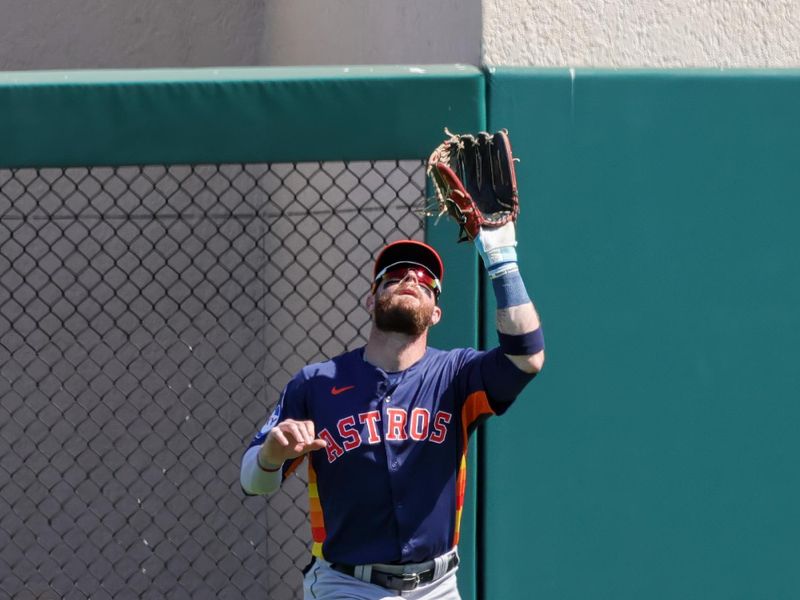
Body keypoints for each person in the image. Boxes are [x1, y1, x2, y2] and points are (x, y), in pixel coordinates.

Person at [241, 223, 544, 599]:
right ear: (371, 300)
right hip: (346, 585)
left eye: (425, 281)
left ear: (436, 313)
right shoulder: (315, 383)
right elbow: (253, 481)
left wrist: (502, 260)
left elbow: (526, 356)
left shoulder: (457, 375)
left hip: (437, 586)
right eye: (395, 276)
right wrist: (272, 454)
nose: (411, 279)